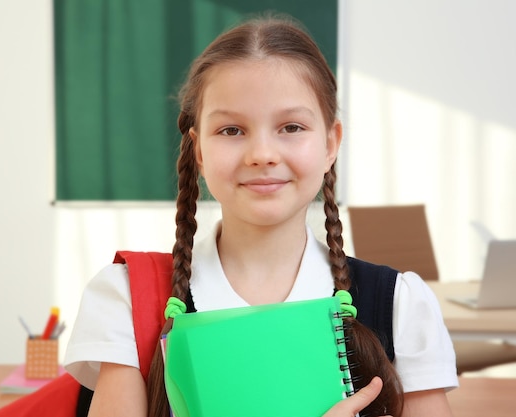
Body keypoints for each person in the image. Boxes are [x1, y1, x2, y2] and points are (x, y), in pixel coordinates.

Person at [64, 15, 458, 417]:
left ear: (330, 143)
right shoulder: (127, 297)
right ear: (198, 151)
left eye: (291, 126)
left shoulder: (401, 304)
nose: (262, 154)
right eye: (232, 130)